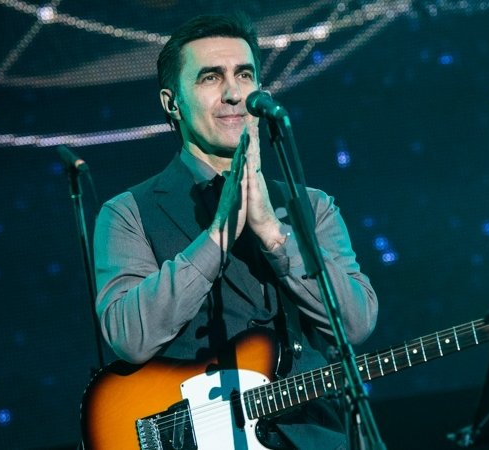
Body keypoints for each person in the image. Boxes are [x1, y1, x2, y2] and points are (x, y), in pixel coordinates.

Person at [92, 12, 378, 449]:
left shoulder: (312, 205)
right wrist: (217, 237)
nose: (233, 93)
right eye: (210, 77)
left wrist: (274, 235)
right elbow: (130, 337)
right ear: (172, 103)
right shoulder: (126, 213)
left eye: (244, 75)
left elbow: (356, 323)